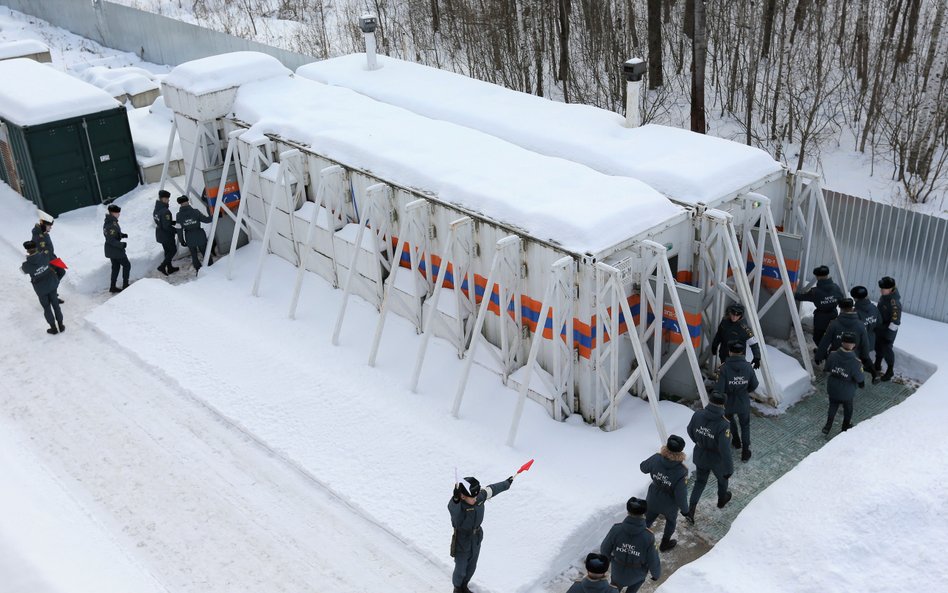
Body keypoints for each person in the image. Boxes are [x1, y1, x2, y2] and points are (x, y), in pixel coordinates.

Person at [448, 474, 514, 593]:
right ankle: (457, 589)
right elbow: (453, 508)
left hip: (476, 538)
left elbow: (492, 490)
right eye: (472, 497)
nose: (475, 498)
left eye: (476, 495)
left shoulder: (479, 497)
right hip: (462, 540)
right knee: (461, 569)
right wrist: (455, 499)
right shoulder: (458, 507)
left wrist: (507, 483)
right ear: (463, 496)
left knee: (472, 567)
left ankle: (464, 586)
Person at [684, 392, 733, 522]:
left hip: (700, 455)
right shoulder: (724, 424)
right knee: (722, 480)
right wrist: (729, 469)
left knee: (699, 482)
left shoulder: (698, 414)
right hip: (717, 459)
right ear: (723, 404)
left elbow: (689, 430)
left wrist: (699, 442)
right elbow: (725, 449)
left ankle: (691, 510)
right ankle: (721, 500)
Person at [639, 435, 689, 552]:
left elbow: (643, 468)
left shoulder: (657, 458)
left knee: (647, 520)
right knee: (671, 522)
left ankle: (639, 540)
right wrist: (685, 510)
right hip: (669, 504)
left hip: (653, 497)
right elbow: (681, 495)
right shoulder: (682, 471)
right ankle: (664, 543)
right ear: (680, 451)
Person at [600, 497, 660, 593]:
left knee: (614, 588)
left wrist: (610, 561)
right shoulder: (648, 536)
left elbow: (604, 549)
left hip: (617, 572)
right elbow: (653, 559)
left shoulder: (616, 529)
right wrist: (656, 575)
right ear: (644, 513)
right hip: (637, 575)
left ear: (628, 511)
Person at [715, 340, 760, 462]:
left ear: (730, 352)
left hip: (728, 401)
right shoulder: (748, 367)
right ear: (742, 352)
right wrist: (744, 390)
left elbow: (719, 389)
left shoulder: (724, 368)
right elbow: (754, 385)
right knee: (745, 426)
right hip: (743, 401)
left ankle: (735, 440)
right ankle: (745, 452)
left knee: (729, 421)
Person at [815, 298, 876, 382]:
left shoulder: (834, 324)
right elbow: (865, 344)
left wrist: (819, 355)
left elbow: (825, 341)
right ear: (853, 308)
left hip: (836, 357)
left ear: (841, 309)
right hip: (854, 356)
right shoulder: (861, 325)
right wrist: (865, 358)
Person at [822, 332, 865, 435]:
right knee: (848, 409)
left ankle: (827, 426)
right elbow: (859, 378)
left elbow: (827, 368)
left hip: (833, 387)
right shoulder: (856, 362)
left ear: (842, 343)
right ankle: (845, 427)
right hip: (847, 391)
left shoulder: (832, 355)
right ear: (854, 345)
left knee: (832, 406)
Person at [20, 240, 65, 335]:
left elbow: (23, 271)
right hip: (52, 285)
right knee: (56, 305)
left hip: (41, 290)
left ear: (27, 251)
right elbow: (50, 260)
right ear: (36, 248)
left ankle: (53, 328)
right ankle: (61, 325)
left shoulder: (26, 265)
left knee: (47, 307)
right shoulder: (45, 256)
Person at [794, 265, 845, 345]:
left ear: (818, 277)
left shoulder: (815, 292)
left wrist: (791, 293)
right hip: (833, 317)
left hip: (820, 319)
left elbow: (801, 297)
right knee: (830, 336)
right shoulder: (836, 288)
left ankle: (822, 354)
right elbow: (842, 301)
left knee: (818, 338)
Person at [709, 303, 761, 368]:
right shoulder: (724, 321)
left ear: (741, 315)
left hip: (737, 358)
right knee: (724, 373)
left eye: (737, 315)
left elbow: (753, 343)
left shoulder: (744, 327)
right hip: (724, 355)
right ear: (730, 313)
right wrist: (715, 345)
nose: (734, 317)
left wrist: (757, 357)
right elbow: (719, 334)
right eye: (733, 314)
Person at [32, 210, 65, 303]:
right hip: (46, 262)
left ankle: (52, 293)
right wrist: (49, 265)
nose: (51, 228)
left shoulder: (44, 233)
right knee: (54, 277)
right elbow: (42, 254)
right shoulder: (39, 237)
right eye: (49, 225)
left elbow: (49, 250)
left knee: (61, 272)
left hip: (52, 258)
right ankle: (52, 295)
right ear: (44, 225)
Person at [176, 195, 213, 272]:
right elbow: (206, 220)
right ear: (188, 202)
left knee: (194, 254)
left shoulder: (178, 215)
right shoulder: (195, 211)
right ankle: (211, 267)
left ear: (180, 204)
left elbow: (179, 229)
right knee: (205, 252)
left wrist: (181, 240)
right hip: (200, 235)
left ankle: (198, 269)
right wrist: (215, 216)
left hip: (189, 237)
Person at [874, 276, 902, 382]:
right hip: (880, 328)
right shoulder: (884, 296)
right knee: (878, 346)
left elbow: (895, 322)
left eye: (883, 288)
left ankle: (890, 371)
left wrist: (889, 337)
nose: (881, 290)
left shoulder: (894, 304)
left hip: (888, 330)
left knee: (887, 349)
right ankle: (877, 364)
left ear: (891, 289)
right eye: (881, 288)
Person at [103, 204, 130, 293]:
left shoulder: (111, 221)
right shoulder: (110, 224)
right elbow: (111, 240)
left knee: (115, 267)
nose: (119, 214)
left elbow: (114, 234)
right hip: (115, 250)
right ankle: (125, 285)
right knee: (127, 265)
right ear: (112, 213)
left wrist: (122, 235)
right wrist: (121, 245)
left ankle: (113, 287)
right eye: (117, 212)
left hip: (112, 250)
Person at [154, 189, 179, 275]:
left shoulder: (156, 209)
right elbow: (166, 226)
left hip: (160, 234)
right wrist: (176, 231)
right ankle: (162, 266)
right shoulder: (165, 211)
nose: (168, 200)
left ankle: (170, 268)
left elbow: (160, 221)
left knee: (167, 251)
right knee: (173, 250)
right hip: (166, 235)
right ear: (163, 199)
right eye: (167, 199)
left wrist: (172, 222)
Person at [850, 286, 880, 354]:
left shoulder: (855, 313)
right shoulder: (874, 308)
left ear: (855, 298)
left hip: (858, 346)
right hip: (871, 342)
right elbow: (879, 323)